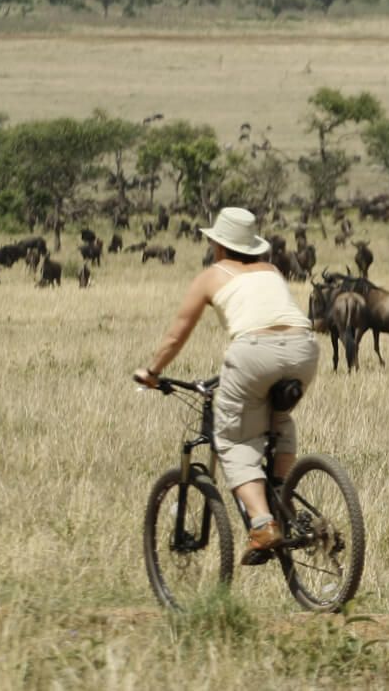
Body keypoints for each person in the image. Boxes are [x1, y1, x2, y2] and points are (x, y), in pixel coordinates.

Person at [134, 207, 319, 566]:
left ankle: (264, 524)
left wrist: (152, 371)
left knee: (233, 438)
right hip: (304, 348)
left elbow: (176, 335)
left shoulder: (210, 276)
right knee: (277, 417)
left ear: (219, 246)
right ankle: (282, 495)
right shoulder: (271, 270)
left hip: (253, 352)